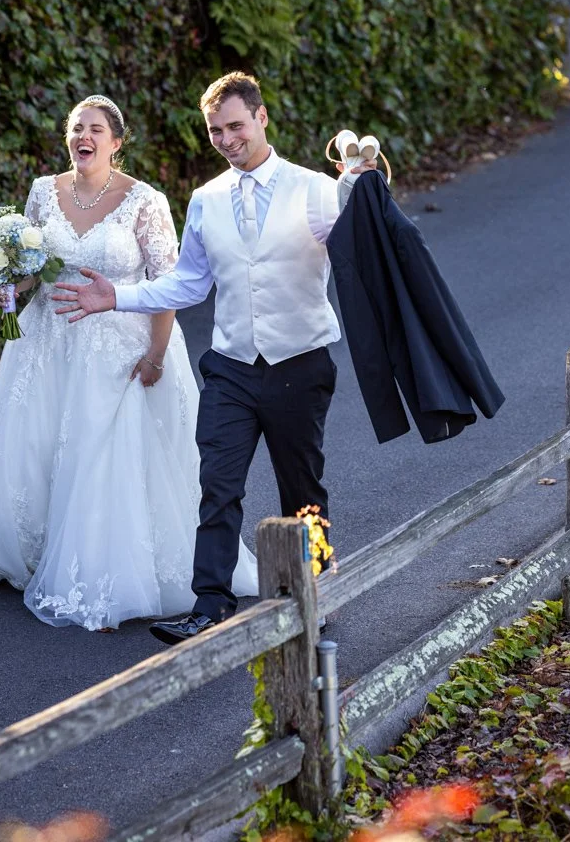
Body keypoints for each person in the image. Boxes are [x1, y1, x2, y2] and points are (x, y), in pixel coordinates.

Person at [0, 95, 258, 631]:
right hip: (47, 341)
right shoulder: (43, 192)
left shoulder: (145, 201)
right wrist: (6, 283)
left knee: (99, 454)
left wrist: (156, 355)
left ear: (116, 143)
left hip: (120, 349)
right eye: (75, 129)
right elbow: (34, 267)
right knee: (35, 446)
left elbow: (167, 287)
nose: (82, 137)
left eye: (94, 129)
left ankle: (106, 568)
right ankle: (30, 552)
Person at [52, 73, 354, 644]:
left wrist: (358, 189)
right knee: (216, 485)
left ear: (262, 118)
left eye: (235, 126)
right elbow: (187, 283)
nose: (226, 138)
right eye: (216, 130)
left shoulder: (314, 188)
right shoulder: (208, 199)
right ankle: (209, 604)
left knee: (302, 488)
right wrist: (115, 297)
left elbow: (361, 242)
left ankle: (316, 588)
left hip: (299, 362)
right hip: (232, 367)